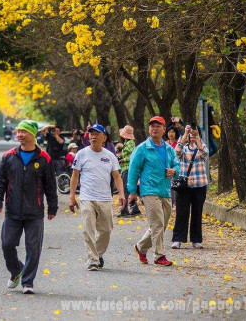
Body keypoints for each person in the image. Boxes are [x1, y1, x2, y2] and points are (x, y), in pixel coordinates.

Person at [0, 120, 58, 295]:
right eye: (18, 131)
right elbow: (0, 181)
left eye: (23, 131)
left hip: (34, 212)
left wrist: (52, 207)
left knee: (33, 249)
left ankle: (28, 282)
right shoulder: (9, 156)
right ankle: (17, 270)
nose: (19, 134)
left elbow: (50, 185)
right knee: (7, 245)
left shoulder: (44, 158)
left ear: (33, 134)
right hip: (12, 211)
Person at [69, 124, 126, 270]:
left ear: (104, 137)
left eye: (97, 134)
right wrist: (72, 197)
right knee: (88, 229)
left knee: (106, 230)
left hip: (105, 198)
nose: (93, 136)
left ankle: (98, 254)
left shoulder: (110, 156)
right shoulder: (81, 154)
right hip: (86, 197)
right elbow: (74, 176)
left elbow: (117, 176)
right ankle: (93, 260)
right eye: (91, 134)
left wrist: (121, 194)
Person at [127, 116, 180, 267]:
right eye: (152, 126)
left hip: (165, 190)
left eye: (158, 126)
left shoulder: (168, 148)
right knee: (157, 224)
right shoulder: (142, 148)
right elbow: (133, 170)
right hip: (149, 190)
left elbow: (177, 164)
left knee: (161, 224)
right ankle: (159, 256)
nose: (154, 129)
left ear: (164, 129)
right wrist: (132, 191)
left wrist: (174, 171)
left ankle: (141, 247)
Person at [171, 125, 209, 249]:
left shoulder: (202, 146)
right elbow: (176, 152)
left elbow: (205, 154)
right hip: (184, 185)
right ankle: (177, 239)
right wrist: (185, 134)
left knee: (197, 212)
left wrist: (197, 137)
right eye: (190, 133)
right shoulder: (184, 147)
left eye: (194, 132)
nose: (192, 135)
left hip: (199, 184)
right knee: (181, 212)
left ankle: (196, 240)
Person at [118, 125, 141, 217]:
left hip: (128, 168)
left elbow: (132, 155)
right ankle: (134, 209)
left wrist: (123, 159)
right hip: (125, 168)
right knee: (128, 189)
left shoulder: (130, 143)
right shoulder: (127, 142)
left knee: (126, 189)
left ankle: (124, 210)